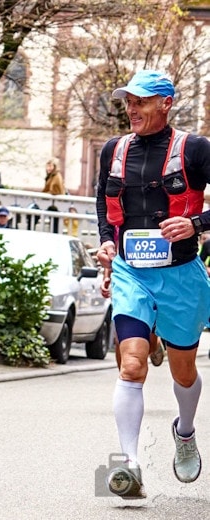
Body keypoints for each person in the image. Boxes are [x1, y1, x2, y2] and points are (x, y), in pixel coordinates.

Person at [95, 70, 210, 499]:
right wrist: (106, 242)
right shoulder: (113, 149)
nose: (132, 109)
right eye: (128, 102)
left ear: (166, 103)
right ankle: (129, 464)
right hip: (131, 272)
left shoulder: (195, 149)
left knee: (184, 371)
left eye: (141, 101)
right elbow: (103, 203)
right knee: (131, 365)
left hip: (181, 275)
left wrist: (196, 223)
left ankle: (185, 431)